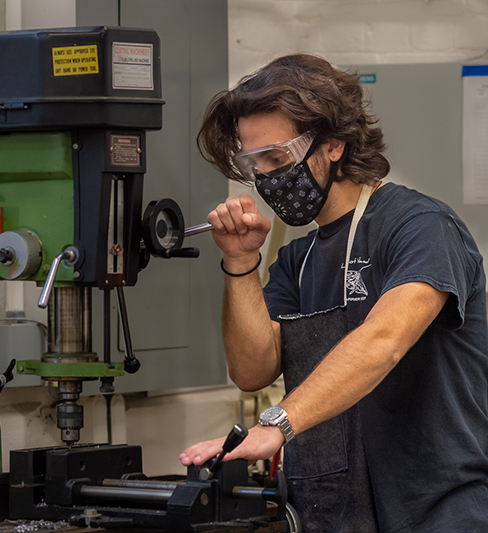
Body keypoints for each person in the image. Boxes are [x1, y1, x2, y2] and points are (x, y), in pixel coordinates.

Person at [179, 53, 488, 532]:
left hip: (440, 509)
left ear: (334, 145)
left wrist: (277, 423)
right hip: (339, 511)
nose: (265, 178)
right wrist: (239, 263)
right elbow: (252, 369)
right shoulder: (297, 260)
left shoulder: (422, 227)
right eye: (253, 162)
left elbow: (383, 341)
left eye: (277, 158)